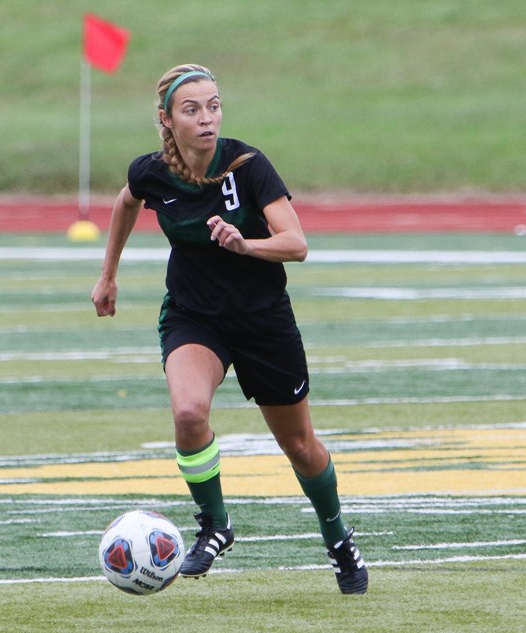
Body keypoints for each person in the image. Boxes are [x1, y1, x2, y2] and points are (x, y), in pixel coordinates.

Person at [91, 64, 368, 594]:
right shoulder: (151, 172)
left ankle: (338, 539)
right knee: (189, 411)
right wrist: (108, 276)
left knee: (300, 446)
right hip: (195, 316)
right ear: (167, 120)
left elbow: (297, 244)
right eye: (191, 109)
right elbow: (125, 202)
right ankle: (215, 525)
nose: (206, 118)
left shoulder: (247, 165)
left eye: (213, 106)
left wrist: (246, 244)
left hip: (262, 320)